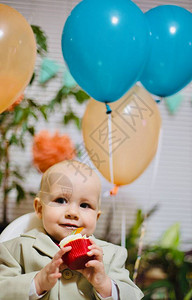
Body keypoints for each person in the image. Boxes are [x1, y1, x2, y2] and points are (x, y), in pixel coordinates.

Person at [0, 160, 143, 300]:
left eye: (85, 205)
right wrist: (37, 283)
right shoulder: (16, 249)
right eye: (61, 200)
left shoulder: (112, 255)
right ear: (39, 208)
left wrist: (104, 285)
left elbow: (134, 296)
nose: (73, 212)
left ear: (96, 217)